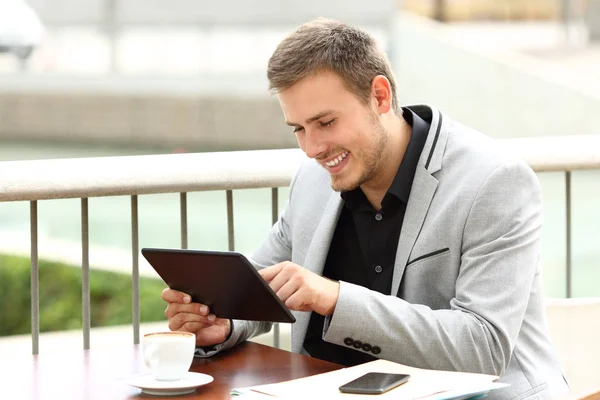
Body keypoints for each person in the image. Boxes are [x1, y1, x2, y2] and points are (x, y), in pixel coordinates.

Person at [162, 18, 569, 400]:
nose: (312, 149)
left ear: (380, 96)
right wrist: (225, 323)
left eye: (325, 123)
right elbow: (263, 286)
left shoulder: (494, 182)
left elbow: (482, 349)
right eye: (299, 129)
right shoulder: (312, 180)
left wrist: (335, 300)